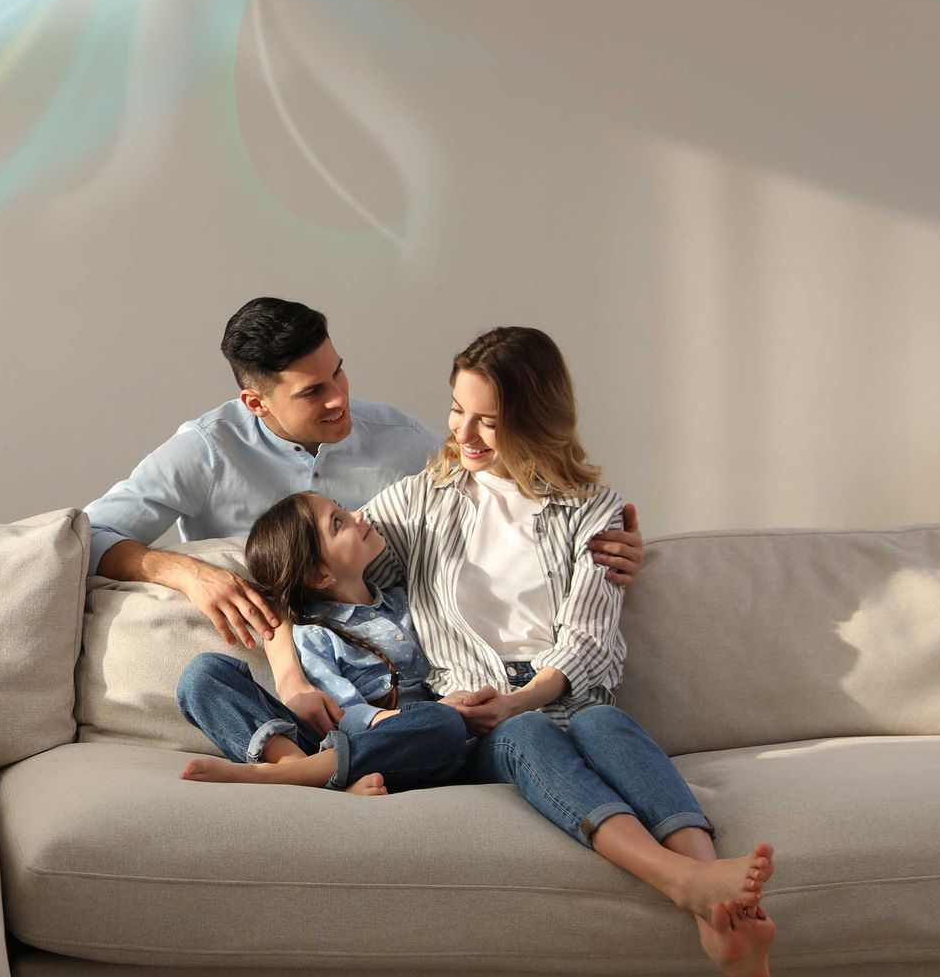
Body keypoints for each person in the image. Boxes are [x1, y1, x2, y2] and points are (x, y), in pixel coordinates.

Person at [345, 326, 777, 977]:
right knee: (527, 733)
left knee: (603, 723)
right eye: (459, 410)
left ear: (537, 420)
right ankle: (683, 882)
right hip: (478, 714)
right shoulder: (416, 502)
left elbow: (590, 637)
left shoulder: (593, 512)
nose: (467, 434)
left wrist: (526, 695)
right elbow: (320, 562)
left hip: (565, 693)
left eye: (491, 420)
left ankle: (722, 915)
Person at [82, 298, 648, 733]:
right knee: (206, 679)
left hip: (405, 685)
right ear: (256, 403)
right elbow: (85, 536)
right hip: (287, 664)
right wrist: (187, 571)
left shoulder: (401, 440)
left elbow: (508, 497)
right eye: (312, 392)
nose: (339, 399)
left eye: (339, 373)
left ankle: (361, 754)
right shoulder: (204, 451)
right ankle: (308, 762)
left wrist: (605, 544)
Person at [175, 492, 473, 796]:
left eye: (342, 510)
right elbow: (342, 716)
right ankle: (298, 768)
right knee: (203, 674)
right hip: (338, 741)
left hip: (404, 751)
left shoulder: (408, 601)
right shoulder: (316, 632)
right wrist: (401, 718)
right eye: (337, 522)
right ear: (319, 575)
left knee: (443, 724)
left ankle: (305, 777)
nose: (358, 515)